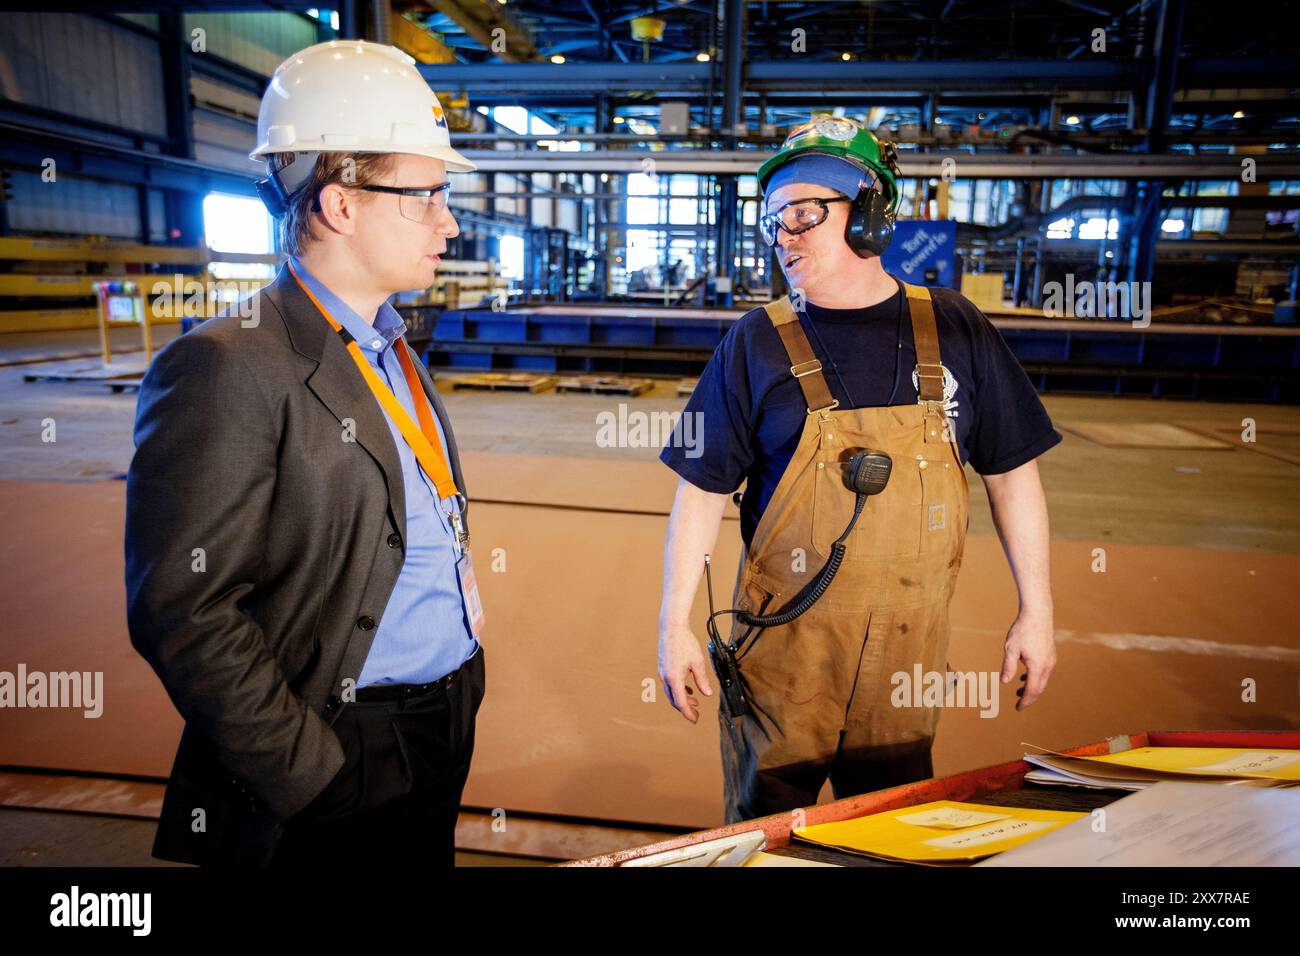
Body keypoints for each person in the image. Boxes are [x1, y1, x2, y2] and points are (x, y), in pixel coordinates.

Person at [125, 40, 485, 866]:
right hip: (337, 746)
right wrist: (309, 775)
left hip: (439, 725)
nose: (448, 220)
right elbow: (182, 609)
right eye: (425, 194)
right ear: (340, 204)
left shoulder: (390, 345)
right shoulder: (227, 364)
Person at [656, 117, 1061, 822]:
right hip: (785, 661)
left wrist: (1039, 610)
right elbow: (700, 492)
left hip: (907, 662)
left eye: (805, 214)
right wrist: (674, 624)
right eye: (775, 218)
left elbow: (1013, 475)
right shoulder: (756, 342)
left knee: (891, 829)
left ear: (872, 218)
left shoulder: (956, 328)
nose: (784, 234)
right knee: (767, 835)